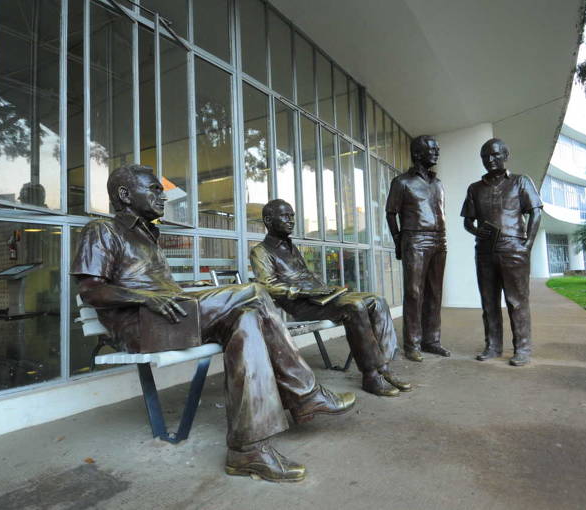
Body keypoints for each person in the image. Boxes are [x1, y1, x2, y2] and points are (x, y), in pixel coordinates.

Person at [71, 164, 355, 483]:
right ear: (124, 195)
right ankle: (304, 395)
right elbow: (91, 289)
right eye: (154, 189)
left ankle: (247, 449)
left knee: (247, 319)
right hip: (141, 325)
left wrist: (180, 294)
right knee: (254, 292)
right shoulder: (101, 229)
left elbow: (165, 291)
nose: (162, 196)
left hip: (172, 317)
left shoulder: (148, 234)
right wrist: (145, 298)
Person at [250, 199, 412, 398]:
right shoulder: (260, 251)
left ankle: (385, 367)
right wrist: (302, 292)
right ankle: (371, 376)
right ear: (268, 220)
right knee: (354, 306)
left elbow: (306, 274)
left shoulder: (291, 246)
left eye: (292, 216)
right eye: (285, 216)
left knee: (377, 300)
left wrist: (325, 288)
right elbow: (266, 285)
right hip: (300, 305)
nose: (291, 220)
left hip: (321, 298)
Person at [460, 138, 542, 366]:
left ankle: (523, 348)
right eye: (485, 156)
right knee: (489, 302)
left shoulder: (520, 182)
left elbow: (536, 213)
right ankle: (493, 346)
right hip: (485, 252)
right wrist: (477, 232)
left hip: (514, 249)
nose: (490, 159)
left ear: (506, 156)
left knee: (517, 302)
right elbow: (467, 222)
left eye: (496, 155)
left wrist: (528, 245)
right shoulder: (474, 188)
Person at [385, 135, 451, 362]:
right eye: (431, 148)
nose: (436, 152)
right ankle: (412, 343)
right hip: (414, 239)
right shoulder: (402, 182)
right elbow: (391, 213)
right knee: (414, 293)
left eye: (437, 148)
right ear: (417, 154)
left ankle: (431, 341)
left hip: (439, 240)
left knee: (435, 292)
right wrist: (398, 241)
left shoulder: (438, 184)